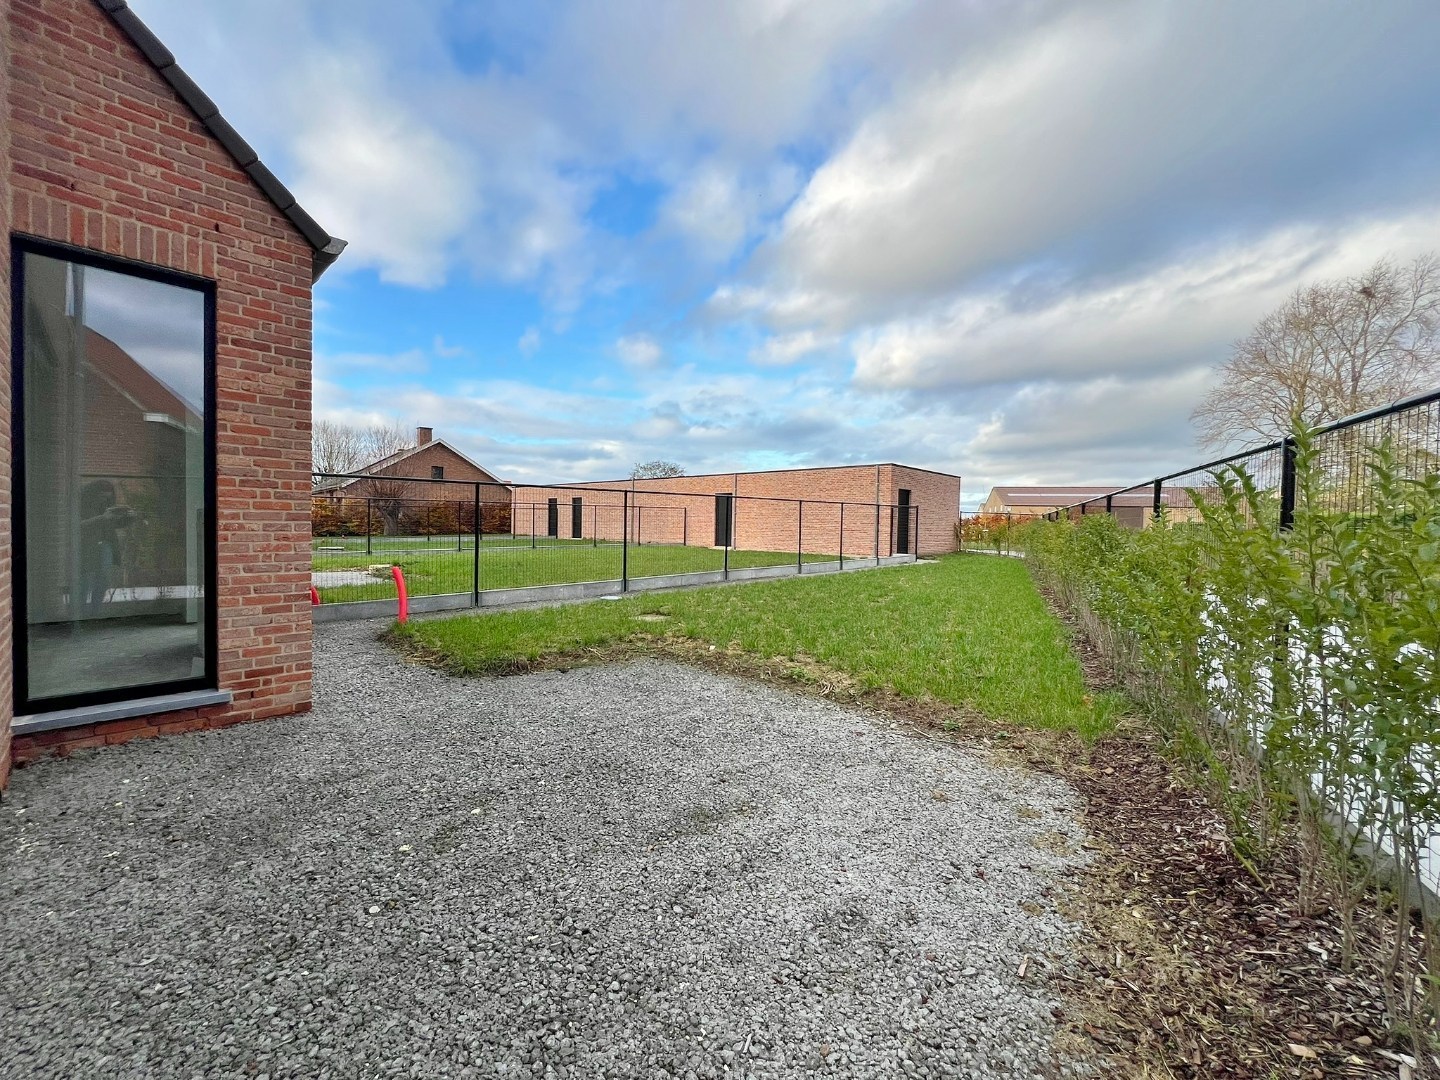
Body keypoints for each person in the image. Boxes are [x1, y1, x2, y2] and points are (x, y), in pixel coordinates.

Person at [78, 480, 134, 617]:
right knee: (86, 579)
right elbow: (79, 525)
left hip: (105, 545)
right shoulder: (83, 505)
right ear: (94, 494)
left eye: (107, 497)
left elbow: (110, 525)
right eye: (102, 496)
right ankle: (82, 612)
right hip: (88, 547)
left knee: (103, 579)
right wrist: (102, 518)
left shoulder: (106, 505)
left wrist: (127, 518)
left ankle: (95, 611)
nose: (105, 499)